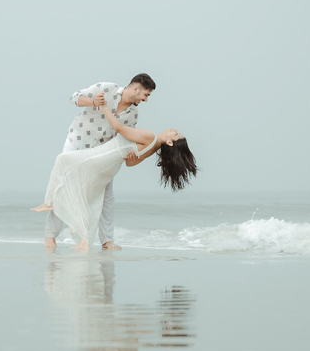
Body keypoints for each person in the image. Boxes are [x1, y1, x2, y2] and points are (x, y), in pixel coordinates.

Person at [34, 90, 198, 251]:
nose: (173, 129)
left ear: (170, 142)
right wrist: (131, 157)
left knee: (62, 160)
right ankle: (84, 241)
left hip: (102, 158)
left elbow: (119, 128)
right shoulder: (153, 147)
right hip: (111, 167)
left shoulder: (151, 137)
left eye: (175, 134)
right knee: (94, 199)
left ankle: (50, 203)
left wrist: (105, 107)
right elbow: (130, 164)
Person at [40, 75, 155, 252]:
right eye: (145, 95)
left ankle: (107, 241)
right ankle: (50, 237)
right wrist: (93, 101)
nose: (146, 100)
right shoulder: (106, 88)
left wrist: (131, 156)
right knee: (64, 186)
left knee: (107, 196)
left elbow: (125, 137)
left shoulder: (133, 114)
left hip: (100, 153)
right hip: (77, 141)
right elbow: (74, 97)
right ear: (136, 89)